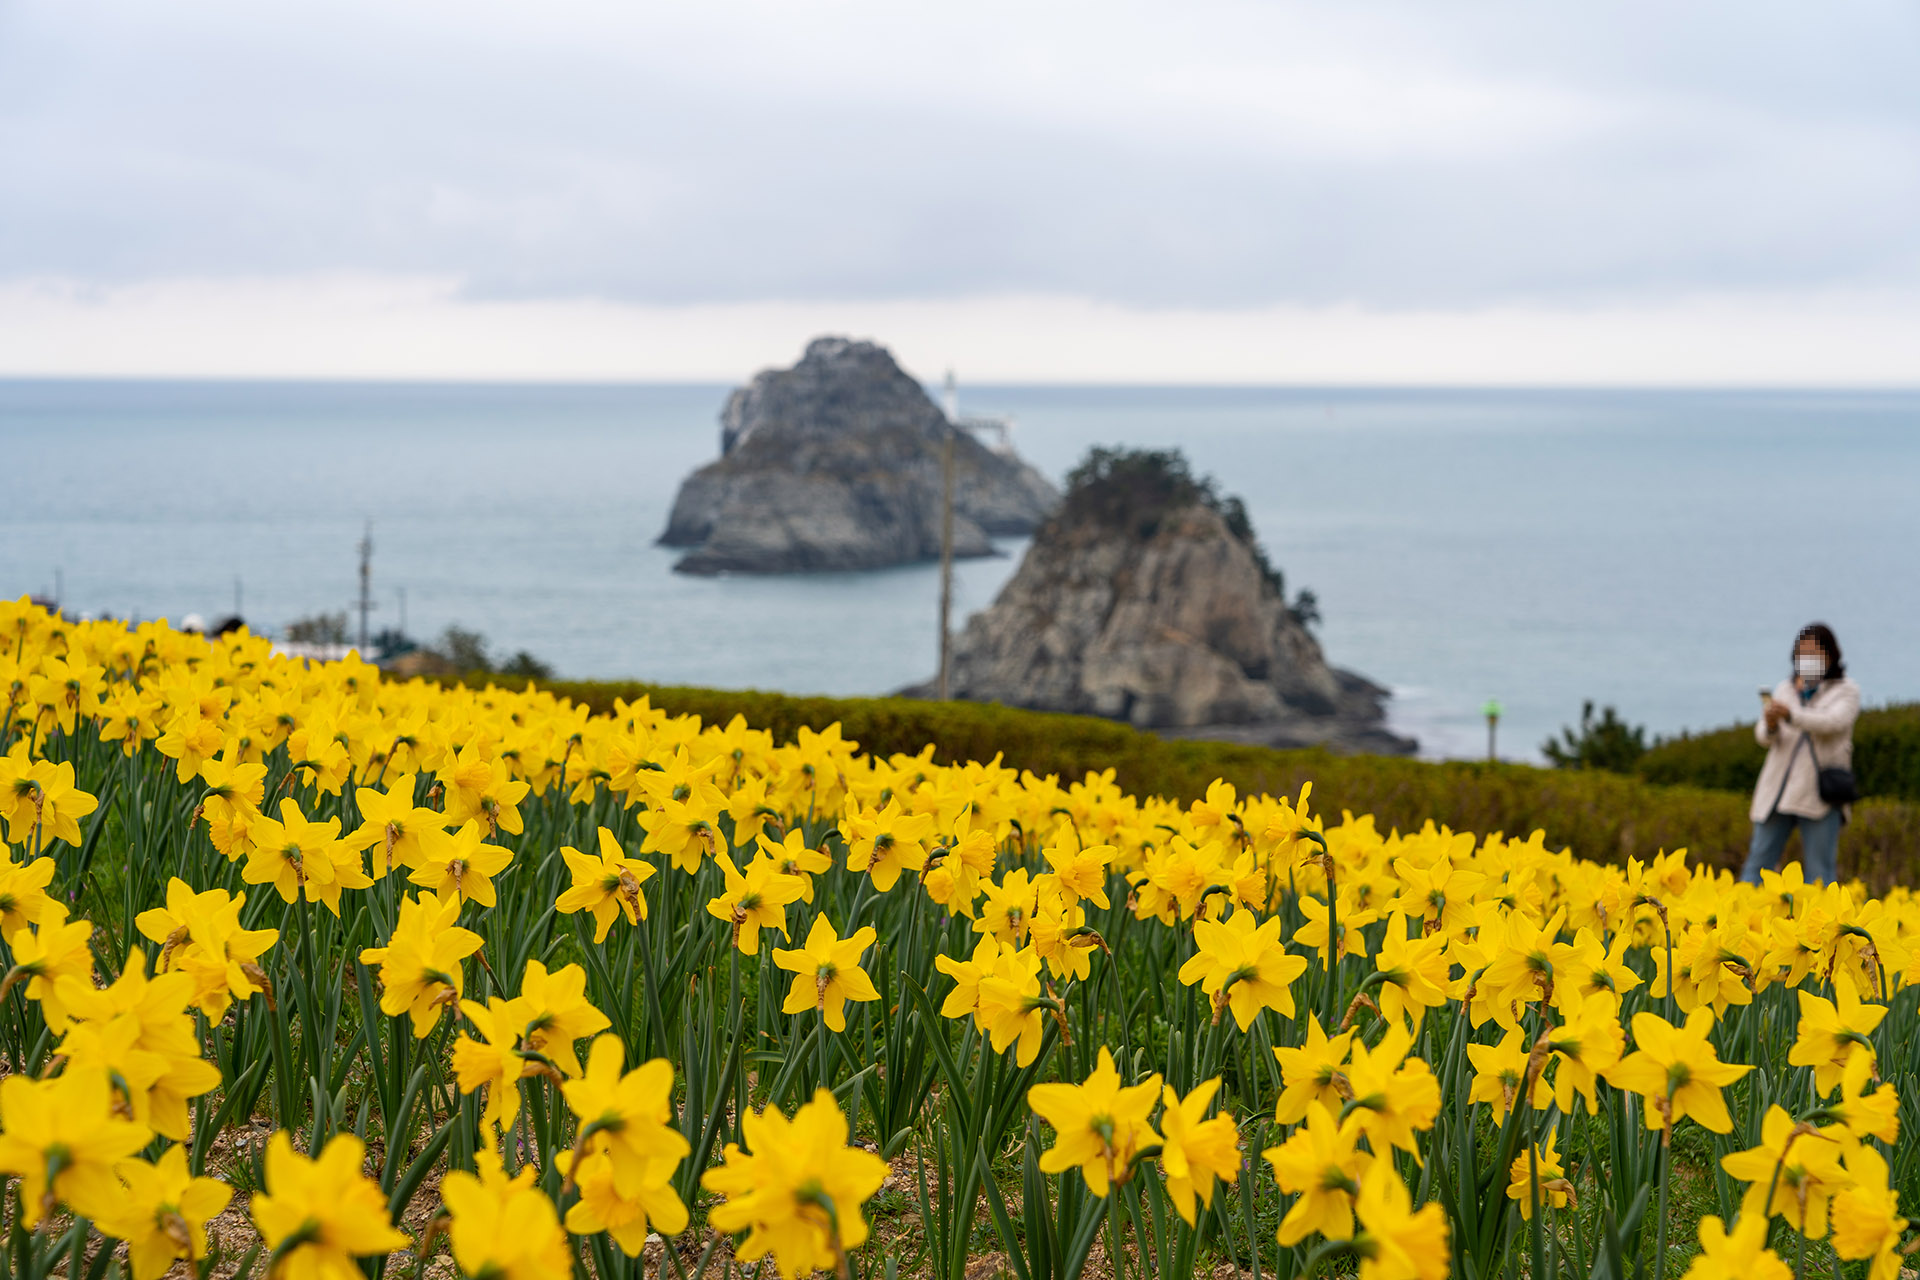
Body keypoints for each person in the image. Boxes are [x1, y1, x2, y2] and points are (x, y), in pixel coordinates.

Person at [1741, 623, 1859, 885]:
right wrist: (1771, 723)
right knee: (1758, 864)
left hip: (1818, 794)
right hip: (1778, 791)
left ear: (1831, 655)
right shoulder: (1786, 689)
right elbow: (1763, 736)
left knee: (1819, 873)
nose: (1808, 659)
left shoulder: (1846, 690)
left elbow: (1832, 722)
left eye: (1814, 652)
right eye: (1802, 652)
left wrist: (1791, 716)